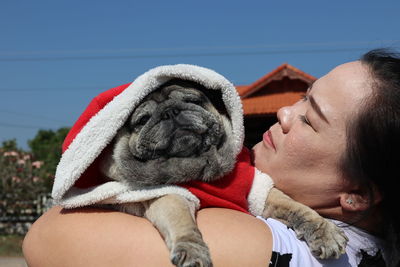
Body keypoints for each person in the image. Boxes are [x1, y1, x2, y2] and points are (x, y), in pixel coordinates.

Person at [22, 49, 400, 267]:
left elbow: (46, 239)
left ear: (356, 196)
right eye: (303, 97)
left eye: (310, 119)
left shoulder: (286, 251)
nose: (284, 113)